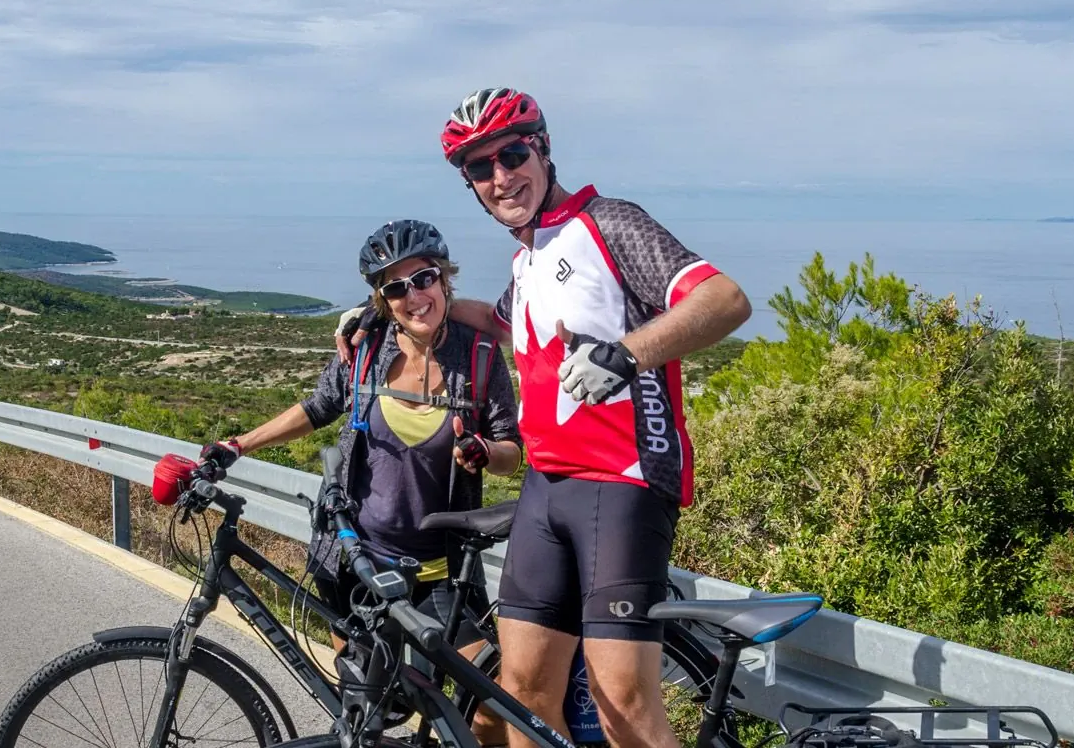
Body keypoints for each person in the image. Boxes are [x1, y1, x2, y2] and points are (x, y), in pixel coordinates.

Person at [340, 88, 754, 748]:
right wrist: (377, 311)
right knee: (521, 699)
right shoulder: (529, 260)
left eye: (512, 154)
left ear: (543, 149)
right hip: (547, 490)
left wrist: (625, 356)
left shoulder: (607, 224)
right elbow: (497, 321)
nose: (501, 176)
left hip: (623, 485)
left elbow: (725, 301)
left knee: (624, 703)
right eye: (481, 168)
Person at [199, 219, 523, 691]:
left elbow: (511, 453)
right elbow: (318, 408)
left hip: (441, 571)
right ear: (382, 301)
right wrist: (239, 443)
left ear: (444, 278)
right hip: (357, 562)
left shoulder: (478, 356)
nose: (414, 297)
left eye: (424, 278)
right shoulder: (365, 349)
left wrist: (483, 451)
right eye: (396, 288)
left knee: (491, 699)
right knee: (367, 703)